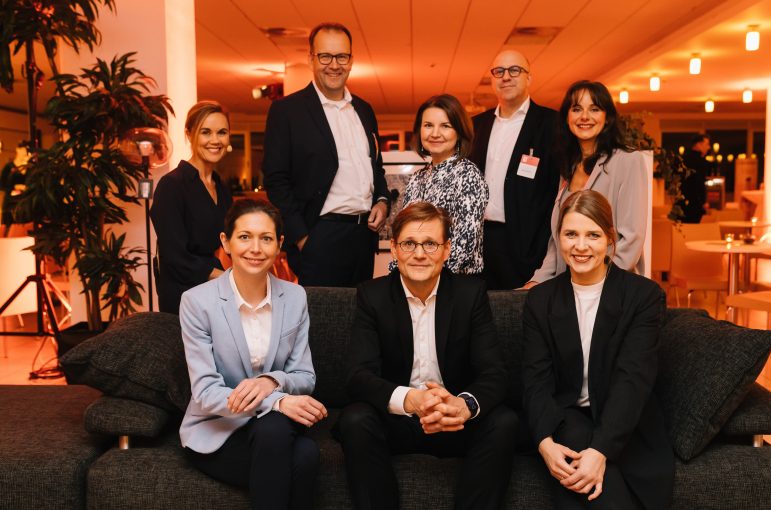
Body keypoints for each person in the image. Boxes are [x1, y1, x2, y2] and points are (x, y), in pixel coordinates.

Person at [335, 201, 518, 510]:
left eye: (430, 244)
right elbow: (358, 375)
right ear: (393, 249)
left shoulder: (470, 295)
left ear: (446, 250)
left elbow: (494, 372)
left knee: (504, 422)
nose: (419, 254)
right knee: (355, 419)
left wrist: (462, 405)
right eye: (409, 243)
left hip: (454, 420)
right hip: (399, 420)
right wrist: (411, 401)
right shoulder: (372, 296)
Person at [522, 189, 674, 510]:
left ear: (609, 239)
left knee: (579, 476)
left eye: (592, 235)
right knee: (572, 444)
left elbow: (633, 380)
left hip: (626, 425)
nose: (580, 246)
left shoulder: (643, 297)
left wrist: (600, 452)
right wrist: (544, 443)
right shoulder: (540, 300)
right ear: (559, 238)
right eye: (571, 234)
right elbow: (535, 380)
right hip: (567, 420)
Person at [179, 199, 327, 510]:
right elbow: (206, 392)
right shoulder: (196, 303)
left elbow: (305, 377)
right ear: (226, 242)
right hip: (218, 428)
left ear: (279, 245)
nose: (255, 248)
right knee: (302, 453)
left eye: (266, 238)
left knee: (281, 435)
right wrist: (277, 398)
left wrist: (271, 380)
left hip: (273, 431)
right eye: (244, 237)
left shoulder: (296, 297)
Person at [263, 22, 390, 287]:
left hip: (364, 236)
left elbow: (375, 167)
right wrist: (302, 238)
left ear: (352, 60)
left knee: (361, 320)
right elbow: (276, 180)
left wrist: (381, 200)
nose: (335, 65)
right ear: (311, 58)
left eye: (342, 56)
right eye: (325, 56)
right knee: (323, 324)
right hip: (320, 237)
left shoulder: (364, 110)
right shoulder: (287, 112)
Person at [525, 80, 648, 287]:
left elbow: (631, 239)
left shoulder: (628, 160)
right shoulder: (568, 166)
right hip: (569, 288)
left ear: (607, 118)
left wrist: (594, 285)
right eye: (577, 109)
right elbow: (557, 241)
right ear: (567, 117)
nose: (584, 117)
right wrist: (537, 280)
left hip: (612, 287)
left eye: (594, 109)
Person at [469, 49, 561, 289]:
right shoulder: (477, 126)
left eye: (514, 70)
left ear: (529, 78)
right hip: (479, 244)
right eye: (499, 71)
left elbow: (555, 189)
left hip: (526, 245)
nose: (506, 76)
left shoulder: (551, 124)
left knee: (523, 316)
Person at [150, 101, 233, 314]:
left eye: (222, 132)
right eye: (206, 132)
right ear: (189, 134)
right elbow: (175, 257)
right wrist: (226, 279)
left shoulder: (221, 187)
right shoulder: (172, 185)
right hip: (183, 296)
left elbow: (228, 241)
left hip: (214, 291)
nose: (215, 140)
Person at [402, 94, 488, 274]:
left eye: (445, 126)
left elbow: (463, 246)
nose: (435, 133)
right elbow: (404, 237)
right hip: (415, 280)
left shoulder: (468, 175)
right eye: (428, 125)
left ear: (459, 132)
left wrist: (425, 276)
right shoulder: (417, 179)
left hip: (453, 284)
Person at [677, 134, 711, 223]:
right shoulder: (700, 161)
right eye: (707, 144)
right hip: (695, 205)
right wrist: (703, 202)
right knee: (694, 231)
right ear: (698, 144)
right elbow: (699, 183)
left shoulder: (683, 159)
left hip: (681, 204)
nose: (708, 147)